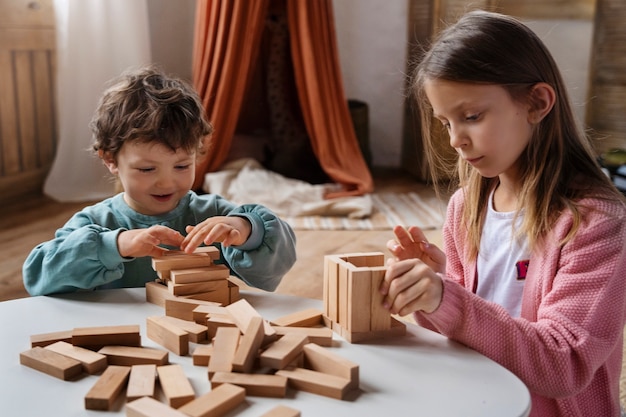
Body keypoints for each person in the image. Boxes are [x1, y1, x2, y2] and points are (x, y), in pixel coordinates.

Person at [380, 10, 626, 417]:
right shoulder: (465, 207)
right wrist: (435, 291)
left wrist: (449, 300)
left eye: (471, 117)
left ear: (537, 103)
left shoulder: (596, 223)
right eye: (445, 122)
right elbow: (468, 327)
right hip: (476, 401)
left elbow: (563, 363)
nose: (456, 140)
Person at [23, 66, 297, 296]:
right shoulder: (96, 223)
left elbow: (280, 257)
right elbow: (38, 276)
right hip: (120, 343)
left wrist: (247, 229)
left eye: (181, 165)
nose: (166, 184)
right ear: (110, 159)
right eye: (146, 169)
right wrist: (114, 246)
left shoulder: (212, 215)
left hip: (195, 343)